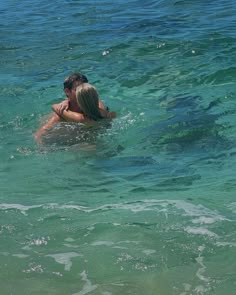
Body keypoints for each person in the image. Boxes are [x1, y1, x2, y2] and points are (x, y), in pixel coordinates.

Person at [34, 72, 109, 143]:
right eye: (77, 90)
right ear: (67, 91)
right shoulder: (61, 114)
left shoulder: (97, 105)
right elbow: (40, 134)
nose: (83, 92)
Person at [52, 83, 116, 123]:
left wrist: (66, 101)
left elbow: (55, 107)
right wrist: (66, 101)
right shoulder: (105, 112)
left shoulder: (80, 118)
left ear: (79, 102)